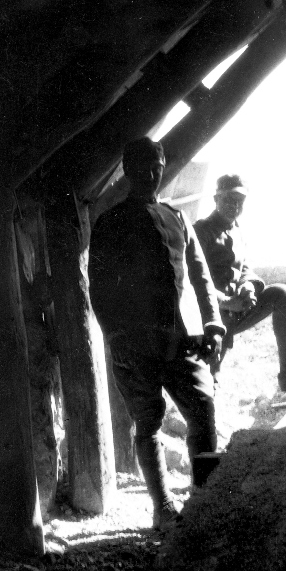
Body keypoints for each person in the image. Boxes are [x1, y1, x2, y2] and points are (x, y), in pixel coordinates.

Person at [88, 137, 225, 531]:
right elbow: (99, 287)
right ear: (128, 172)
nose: (151, 174)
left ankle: (203, 502)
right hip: (136, 343)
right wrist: (117, 337)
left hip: (181, 340)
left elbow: (200, 274)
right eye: (143, 167)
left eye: (158, 165)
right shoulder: (110, 223)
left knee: (202, 411)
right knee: (147, 421)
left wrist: (213, 323)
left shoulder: (177, 218)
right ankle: (162, 507)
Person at [194, 174, 286, 392]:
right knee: (207, 384)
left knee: (281, 294)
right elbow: (195, 281)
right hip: (209, 317)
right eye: (228, 198)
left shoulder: (237, 231)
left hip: (235, 311)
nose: (234, 205)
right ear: (215, 199)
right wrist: (228, 302)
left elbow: (244, 267)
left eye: (240, 200)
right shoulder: (201, 232)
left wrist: (249, 285)